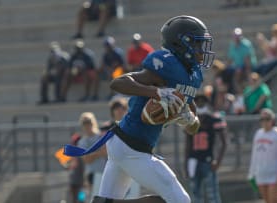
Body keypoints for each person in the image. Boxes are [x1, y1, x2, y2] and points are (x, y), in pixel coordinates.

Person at [90, 15, 215, 203]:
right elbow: (118, 83)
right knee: (180, 200)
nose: (202, 51)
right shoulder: (166, 65)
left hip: (127, 144)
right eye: (198, 44)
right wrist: (155, 92)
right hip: (131, 146)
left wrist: (188, 119)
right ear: (183, 44)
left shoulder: (192, 75)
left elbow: (193, 128)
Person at [184, 94, 227, 203]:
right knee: (195, 196)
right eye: (197, 102)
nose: (200, 104)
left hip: (208, 160)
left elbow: (224, 142)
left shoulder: (214, 119)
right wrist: (186, 163)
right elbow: (188, 144)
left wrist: (218, 161)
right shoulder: (191, 120)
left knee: (212, 195)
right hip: (193, 161)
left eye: (202, 102)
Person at [248, 109, 277, 203]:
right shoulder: (258, 134)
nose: (264, 122)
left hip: (274, 174)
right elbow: (255, 154)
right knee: (266, 201)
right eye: (262, 119)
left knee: (273, 200)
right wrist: (251, 173)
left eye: (267, 119)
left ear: (272, 120)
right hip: (261, 173)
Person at [78, 112, 107, 200]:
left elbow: (106, 152)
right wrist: (98, 152)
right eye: (84, 123)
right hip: (91, 174)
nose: (87, 125)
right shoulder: (82, 142)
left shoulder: (101, 136)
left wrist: (92, 153)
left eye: (89, 122)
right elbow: (87, 160)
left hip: (104, 172)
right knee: (93, 198)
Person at [226, 27, 258, 94]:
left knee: (246, 73)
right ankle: (239, 93)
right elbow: (230, 59)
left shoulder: (246, 44)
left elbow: (247, 62)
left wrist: (242, 70)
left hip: (249, 66)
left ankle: (251, 90)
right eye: (235, 36)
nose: (237, 38)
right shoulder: (232, 45)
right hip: (239, 67)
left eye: (238, 36)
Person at [68, 133, 85, 203]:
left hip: (80, 180)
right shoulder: (72, 153)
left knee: (81, 198)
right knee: (75, 198)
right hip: (74, 180)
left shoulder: (81, 153)